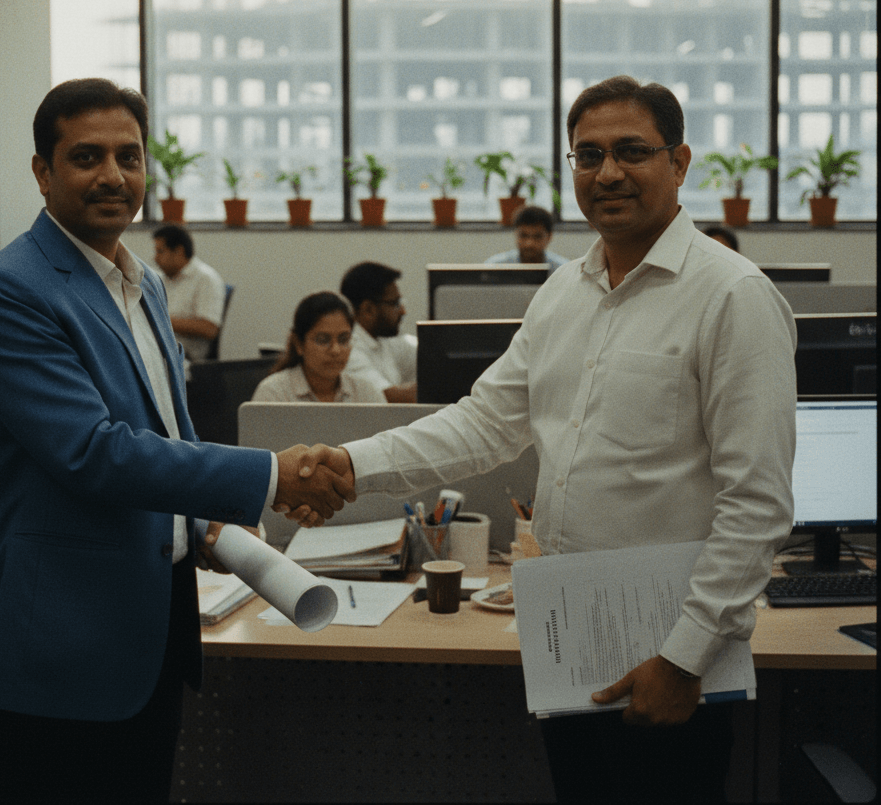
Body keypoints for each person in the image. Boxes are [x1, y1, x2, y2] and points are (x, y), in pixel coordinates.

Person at [318, 76, 796, 803]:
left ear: (681, 162)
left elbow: (756, 504)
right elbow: (484, 424)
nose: (607, 172)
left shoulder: (733, 296)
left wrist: (686, 656)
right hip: (571, 650)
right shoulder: (562, 294)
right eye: (588, 155)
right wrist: (351, 465)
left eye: (632, 151)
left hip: (672, 661)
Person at [0, 77, 354, 804]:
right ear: (43, 172)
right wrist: (267, 474)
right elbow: (94, 452)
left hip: (149, 633)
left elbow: (168, 429)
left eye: (129, 156)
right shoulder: (8, 290)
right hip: (61, 650)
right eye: (86, 157)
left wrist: (204, 520)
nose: (113, 175)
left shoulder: (142, 283)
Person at [251, 291, 388, 404]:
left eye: (343, 339)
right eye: (323, 340)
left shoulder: (366, 393)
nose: (335, 350)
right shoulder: (273, 394)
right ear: (299, 344)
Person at [340, 261, 417, 404]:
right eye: (395, 303)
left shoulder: (380, 340)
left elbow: (427, 350)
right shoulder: (349, 349)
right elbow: (389, 398)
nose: (402, 311)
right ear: (368, 309)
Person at [152, 224, 226, 367]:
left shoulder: (206, 279)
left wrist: (159, 319)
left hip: (184, 359)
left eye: (160, 251)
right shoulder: (160, 279)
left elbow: (209, 328)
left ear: (179, 251)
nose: (155, 258)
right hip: (158, 349)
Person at [484, 204, 570, 271]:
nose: (529, 243)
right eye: (523, 235)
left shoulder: (563, 270)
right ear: (516, 234)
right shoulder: (495, 267)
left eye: (537, 237)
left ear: (549, 237)